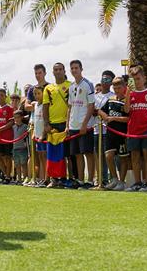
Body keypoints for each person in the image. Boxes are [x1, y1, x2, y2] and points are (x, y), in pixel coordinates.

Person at [124, 65, 147, 192]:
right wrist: (128, 93)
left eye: (139, 78)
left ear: (144, 78)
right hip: (133, 130)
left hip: (146, 129)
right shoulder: (130, 93)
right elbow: (126, 110)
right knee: (135, 157)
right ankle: (137, 182)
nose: (137, 82)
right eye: (134, 79)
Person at [68, 59, 96, 188]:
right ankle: (80, 179)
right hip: (73, 126)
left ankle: (90, 180)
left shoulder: (88, 84)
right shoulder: (71, 86)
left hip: (85, 126)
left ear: (81, 69)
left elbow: (91, 105)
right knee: (77, 154)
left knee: (88, 153)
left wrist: (85, 124)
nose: (74, 70)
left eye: (76, 68)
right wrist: (67, 125)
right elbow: (70, 107)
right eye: (72, 68)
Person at [43, 63, 72, 188]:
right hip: (53, 124)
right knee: (53, 154)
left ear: (64, 71)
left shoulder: (71, 86)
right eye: (56, 70)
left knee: (67, 155)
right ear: (53, 72)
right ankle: (54, 179)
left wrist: (69, 124)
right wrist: (46, 123)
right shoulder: (48, 88)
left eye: (60, 69)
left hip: (67, 124)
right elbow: (45, 106)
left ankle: (68, 179)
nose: (58, 71)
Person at [101, 77, 130, 191]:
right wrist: (106, 117)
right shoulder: (111, 99)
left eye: (119, 87)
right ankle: (114, 179)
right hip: (110, 133)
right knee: (108, 156)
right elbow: (100, 110)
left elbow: (128, 118)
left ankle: (122, 181)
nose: (117, 90)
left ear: (124, 87)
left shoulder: (126, 101)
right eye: (115, 88)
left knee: (123, 158)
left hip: (122, 134)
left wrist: (114, 118)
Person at [94, 71, 116, 185]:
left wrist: (99, 112)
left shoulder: (113, 96)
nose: (104, 82)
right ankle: (101, 179)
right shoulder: (95, 96)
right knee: (98, 156)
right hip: (96, 130)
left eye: (107, 80)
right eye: (103, 79)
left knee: (108, 156)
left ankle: (112, 179)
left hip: (108, 130)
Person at [0, 88, 14, 183]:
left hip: (8, 137)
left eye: (1, 95)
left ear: (5, 96)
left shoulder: (9, 108)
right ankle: (6, 174)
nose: (0, 97)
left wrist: (0, 129)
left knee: (8, 157)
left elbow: (11, 122)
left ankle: (8, 177)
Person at [29, 85, 48, 186]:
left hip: (44, 136)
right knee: (40, 157)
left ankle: (46, 178)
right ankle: (41, 178)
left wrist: (43, 135)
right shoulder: (35, 105)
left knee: (45, 156)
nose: (37, 95)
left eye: (39, 93)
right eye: (35, 94)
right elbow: (35, 121)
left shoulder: (45, 105)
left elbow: (46, 121)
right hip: (37, 135)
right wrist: (34, 133)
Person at [11, 110, 29, 183]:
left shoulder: (25, 126)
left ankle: (25, 178)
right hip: (15, 148)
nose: (17, 119)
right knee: (17, 164)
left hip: (23, 148)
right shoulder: (13, 127)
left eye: (18, 117)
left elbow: (27, 136)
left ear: (22, 117)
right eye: (15, 118)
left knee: (23, 163)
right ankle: (19, 179)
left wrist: (25, 143)